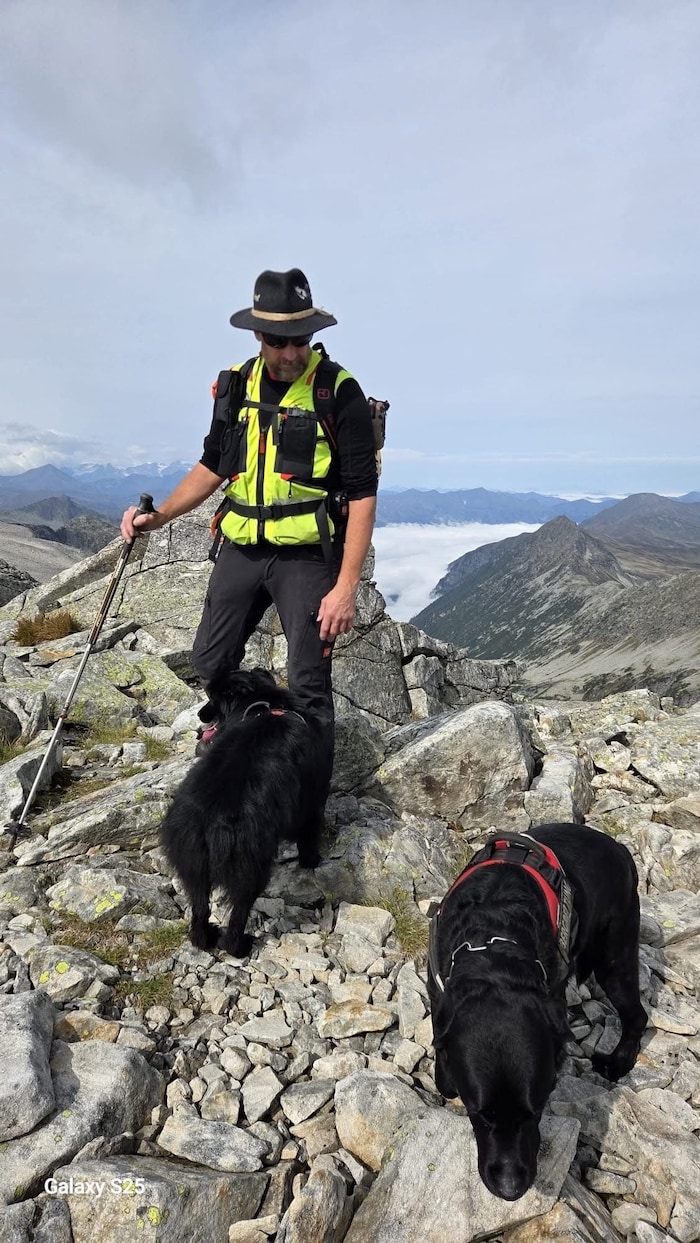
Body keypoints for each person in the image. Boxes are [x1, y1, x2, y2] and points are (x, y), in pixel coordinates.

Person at [121, 267, 378, 792]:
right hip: (241, 544)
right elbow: (213, 464)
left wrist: (345, 588)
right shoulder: (236, 385)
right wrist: (160, 516)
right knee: (210, 661)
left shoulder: (338, 392)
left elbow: (362, 493)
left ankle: (307, 809)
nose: (291, 352)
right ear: (258, 335)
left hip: (307, 553)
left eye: (300, 339)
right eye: (279, 341)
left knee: (308, 685)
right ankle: (234, 752)